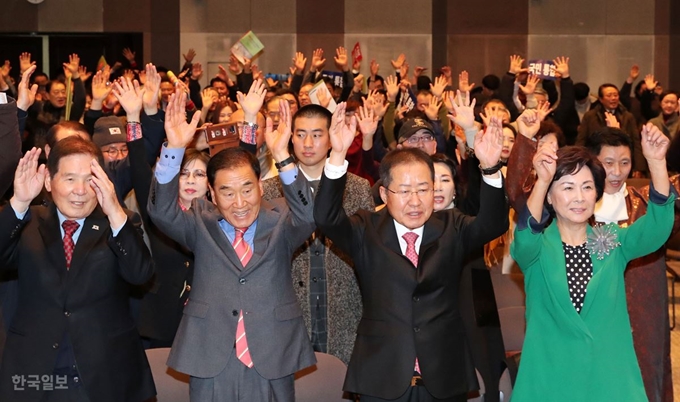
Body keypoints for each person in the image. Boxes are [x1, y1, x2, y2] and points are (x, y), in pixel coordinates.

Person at [314, 105, 509, 401]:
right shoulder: (365, 229)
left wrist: (491, 169)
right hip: (382, 375)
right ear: (384, 194)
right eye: (404, 191)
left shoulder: (451, 226)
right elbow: (326, 218)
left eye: (423, 189)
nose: (415, 201)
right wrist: (338, 155)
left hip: (443, 373)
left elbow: (493, 224)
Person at [147, 84, 316, 401]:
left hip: (271, 352)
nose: (239, 202)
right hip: (211, 355)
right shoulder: (200, 221)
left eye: (247, 189)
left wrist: (282, 155)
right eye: (227, 192)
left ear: (261, 188)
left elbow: (309, 215)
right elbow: (161, 211)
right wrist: (173, 148)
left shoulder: (281, 219)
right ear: (211, 193)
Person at [510, 125, 675, 401]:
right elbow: (525, 238)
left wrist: (657, 163)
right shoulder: (538, 248)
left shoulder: (610, 240)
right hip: (550, 378)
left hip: (608, 378)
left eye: (587, 187)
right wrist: (542, 181)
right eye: (568, 187)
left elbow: (656, 229)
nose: (579, 197)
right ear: (550, 196)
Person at [0, 137, 155, 402]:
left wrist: (115, 211)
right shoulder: (27, 221)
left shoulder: (120, 223)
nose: (80, 190)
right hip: (37, 372)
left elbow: (140, 274)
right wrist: (19, 203)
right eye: (70, 179)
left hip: (105, 373)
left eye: (90, 179)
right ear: (49, 182)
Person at [261, 103, 374, 365]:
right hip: (288, 312)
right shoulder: (268, 191)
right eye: (300, 134)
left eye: (317, 134)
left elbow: (368, 253)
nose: (308, 143)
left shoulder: (357, 188)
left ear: (331, 136)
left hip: (346, 311)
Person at [585, 127, 680, 402]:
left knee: (646, 377)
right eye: (608, 163)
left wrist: (658, 160)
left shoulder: (650, 201)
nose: (617, 171)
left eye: (625, 163)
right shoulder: (575, 206)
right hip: (595, 315)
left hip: (643, 314)